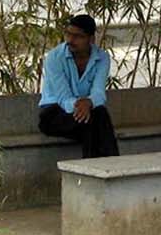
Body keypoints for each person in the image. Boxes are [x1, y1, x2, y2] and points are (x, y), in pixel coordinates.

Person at [37, 13, 119, 158]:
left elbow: (99, 93)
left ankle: (97, 172)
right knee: (96, 119)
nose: (70, 40)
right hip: (54, 113)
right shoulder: (54, 57)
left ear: (91, 39)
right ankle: (110, 169)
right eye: (68, 34)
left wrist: (89, 103)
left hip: (86, 113)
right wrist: (83, 105)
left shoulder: (102, 58)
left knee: (95, 118)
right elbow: (63, 98)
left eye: (78, 36)